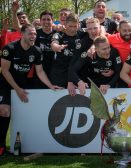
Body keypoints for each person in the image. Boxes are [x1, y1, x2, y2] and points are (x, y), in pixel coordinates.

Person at [0, 24, 60, 156]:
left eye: (35, 34)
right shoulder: (9, 48)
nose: (33, 36)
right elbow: (4, 70)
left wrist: (50, 85)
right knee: (4, 111)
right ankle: (1, 146)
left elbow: (39, 71)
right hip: (5, 83)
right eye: (30, 34)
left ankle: (28, 144)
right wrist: (17, 89)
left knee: (26, 112)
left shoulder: (37, 51)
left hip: (23, 83)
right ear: (22, 34)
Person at [50, 13, 81, 88]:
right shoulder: (59, 34)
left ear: (78, 25)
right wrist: (57, 47)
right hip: (60, 73)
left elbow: (98, 29)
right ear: (65, 24)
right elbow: (53, 44)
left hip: (76, 72)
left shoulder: (82, 33)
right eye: (70, 26)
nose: (73, 29)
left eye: (75, 26)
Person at [34, 10, 57, 88]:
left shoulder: (58, 34)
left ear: (52, 21)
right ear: (40, 21)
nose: (46, 21)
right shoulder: (35, 34)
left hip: (55, 70)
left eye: (48, 19)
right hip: (39, 70)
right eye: (44, 19)